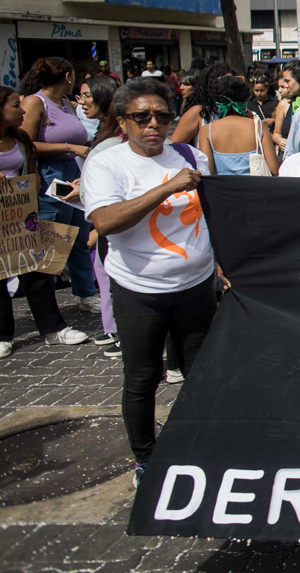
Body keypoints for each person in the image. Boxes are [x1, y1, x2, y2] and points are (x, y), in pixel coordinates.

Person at [81, 78, 219, 485]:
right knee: (143, 378)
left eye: (162, 116)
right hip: (140, 291)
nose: (153, 125)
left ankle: (199, 448)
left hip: (195, 287)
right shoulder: (107, 163)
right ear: (123, 122)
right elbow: (105, 222)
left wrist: (222, 265)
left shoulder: (189, 155)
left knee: (201, 375)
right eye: (141, 117)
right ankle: (146, 458)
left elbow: (211, 214)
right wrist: (167, 187)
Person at [0, 86, 89, 358]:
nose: (22, 110)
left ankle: (53, 328)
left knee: (37, 271)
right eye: (16, 105)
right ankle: (3, 335)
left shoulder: (20, 140)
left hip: (20, 214)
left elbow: (28, 169)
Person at [18, 57, 99, 310]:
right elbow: (26, 143)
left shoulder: (64, 102)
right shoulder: (35, 102)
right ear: (67, 77)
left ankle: (86, 293)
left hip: (71, 171)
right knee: (53, 239)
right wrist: (70, 147)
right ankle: (47, 305)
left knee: (78, 234)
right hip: (48, 175)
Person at [74, 75, 124, 351]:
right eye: (79, 96)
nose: (81, 102)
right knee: (102, 269)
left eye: (86, 96)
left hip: (110, 217)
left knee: (109, 271)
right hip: (102, 213)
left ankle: (119, 330)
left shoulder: (114, 137)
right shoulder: (105, 131)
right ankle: (113, 327)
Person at [197, 77, 279, 176]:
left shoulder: (207, 130)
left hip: (222, 189)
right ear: (245, 100)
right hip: (255, 189)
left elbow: (207, 173)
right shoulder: (258, 127)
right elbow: (274, 170)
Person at [170, 62, 234, 146]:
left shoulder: (238, 110)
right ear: (210, 84)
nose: (228, 85)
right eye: (223, 81)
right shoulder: (198, 112)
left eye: (232, 81)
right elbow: (173, 147)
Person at [272, 61, 300, 152]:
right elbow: (276, 133)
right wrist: (280, 141)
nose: (286, 85)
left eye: (288, 81)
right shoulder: (284, 104)